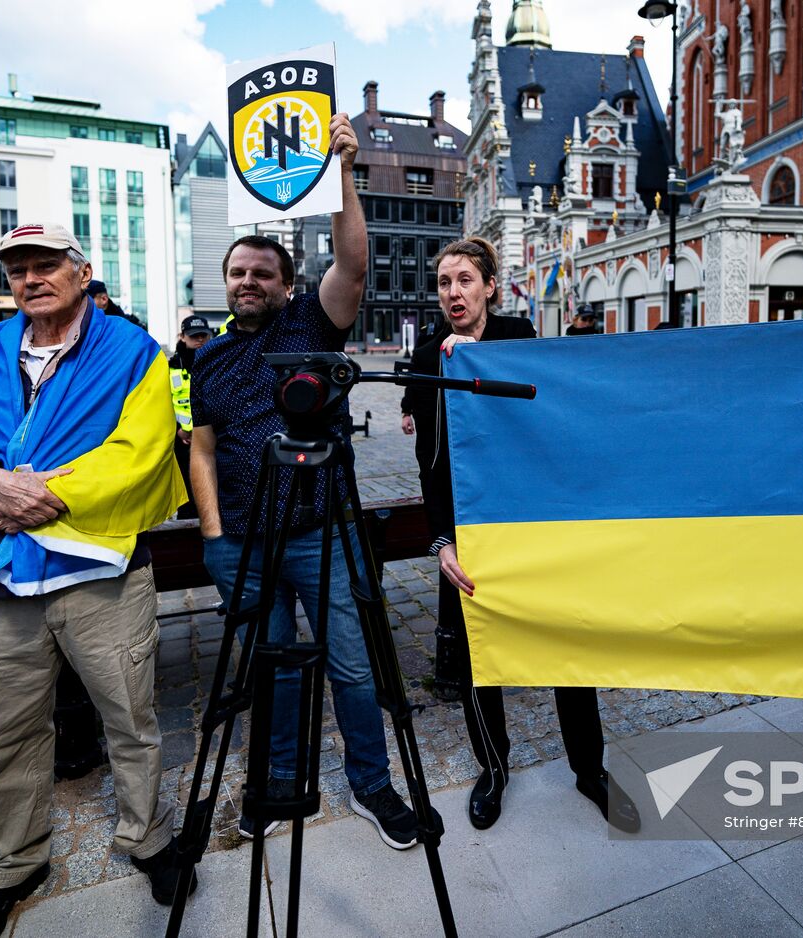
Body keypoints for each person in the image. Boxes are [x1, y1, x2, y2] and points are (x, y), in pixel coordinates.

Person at [0, 222, 192, 937]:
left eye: (45, 266)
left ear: (80, 270)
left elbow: (141, 451)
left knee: (129, 718)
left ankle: (149, 835)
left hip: (97, 572)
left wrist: (36, 496)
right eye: (17, 271)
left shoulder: (130, 350)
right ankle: (14, 861)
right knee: (6, 730)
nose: (31, 280)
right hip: (1, 579)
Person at [191, 114, 424, 850]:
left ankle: (372, 785)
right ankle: (277, 787)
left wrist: (344, 176)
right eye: (238, 273)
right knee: (275, 676)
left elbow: (353, 265)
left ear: (287, 284)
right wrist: (215, 538)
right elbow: (200, 449)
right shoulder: (209, 358)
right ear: (225, 283)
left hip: (322, 534)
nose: (249, 282)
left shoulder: (311, 326)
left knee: (353, 666)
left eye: (263, 273)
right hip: (245, 541)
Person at [409, 236, 641, 834]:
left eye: (464, 280)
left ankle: (590, 769)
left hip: (534, 525)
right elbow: (429, 459)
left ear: (489, 286)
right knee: (477, 660)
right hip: (469, 531)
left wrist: (484, 365)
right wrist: (442, 542)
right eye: (443, 282)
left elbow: (559, 423)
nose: (452, 292)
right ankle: (494, 770)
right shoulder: (431, 353)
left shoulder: (523, 340)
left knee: (568, 644)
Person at [168, 315, 213, 520]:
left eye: (203, 335)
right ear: (183, 337)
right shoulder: (171, 366)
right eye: (194, 336)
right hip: (182, 438)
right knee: (187, 487)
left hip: (211, 433)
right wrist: (179, 428)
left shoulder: (217, 361)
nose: (199, 340)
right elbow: (165, 401)